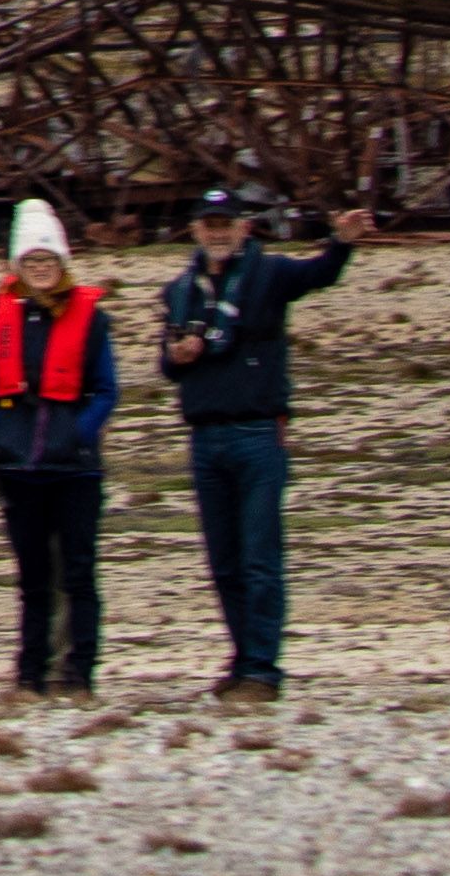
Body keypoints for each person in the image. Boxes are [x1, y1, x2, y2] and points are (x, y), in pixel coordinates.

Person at [157, 182, 377, 702]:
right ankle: (241, 659)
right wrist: (180, 357)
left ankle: (263, 670)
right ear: (196, 230)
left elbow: (318, 274)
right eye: (208, 225)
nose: (216, 233)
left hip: (257, 433)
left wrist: (341, 243)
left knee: (259, 558)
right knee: (225, 562)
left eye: (225, 224)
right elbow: (166, 365)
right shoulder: (179, 290)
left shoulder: (269, 273)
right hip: (205, 437)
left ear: (242, 228)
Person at [0, 199, 118, 700]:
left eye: (48, 261)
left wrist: (81, 432)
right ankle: (29, 674)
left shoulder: (91, 318)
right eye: (31, 262)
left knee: (78, 571)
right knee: (32, 578)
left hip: (73, 467)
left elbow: (106, 387)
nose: (40, 270)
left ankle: (79, 672)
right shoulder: (1, 318)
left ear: (62, 263)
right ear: (18, 267)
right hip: (19, 465)